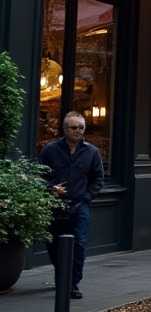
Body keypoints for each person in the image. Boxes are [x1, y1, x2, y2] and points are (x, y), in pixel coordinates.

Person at [40, 111, 105, 299]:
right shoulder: (50, 150)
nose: (78, 131)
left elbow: (98, 179)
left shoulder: (91, 152)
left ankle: (72, 284)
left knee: (79, 246)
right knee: (54, 245)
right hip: (54, 206)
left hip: (79, 205)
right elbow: (39, 174)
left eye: (81, 128)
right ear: (65, 129)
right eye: (74, 127)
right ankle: (63, 277)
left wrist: (87, 197)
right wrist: (51, 187)